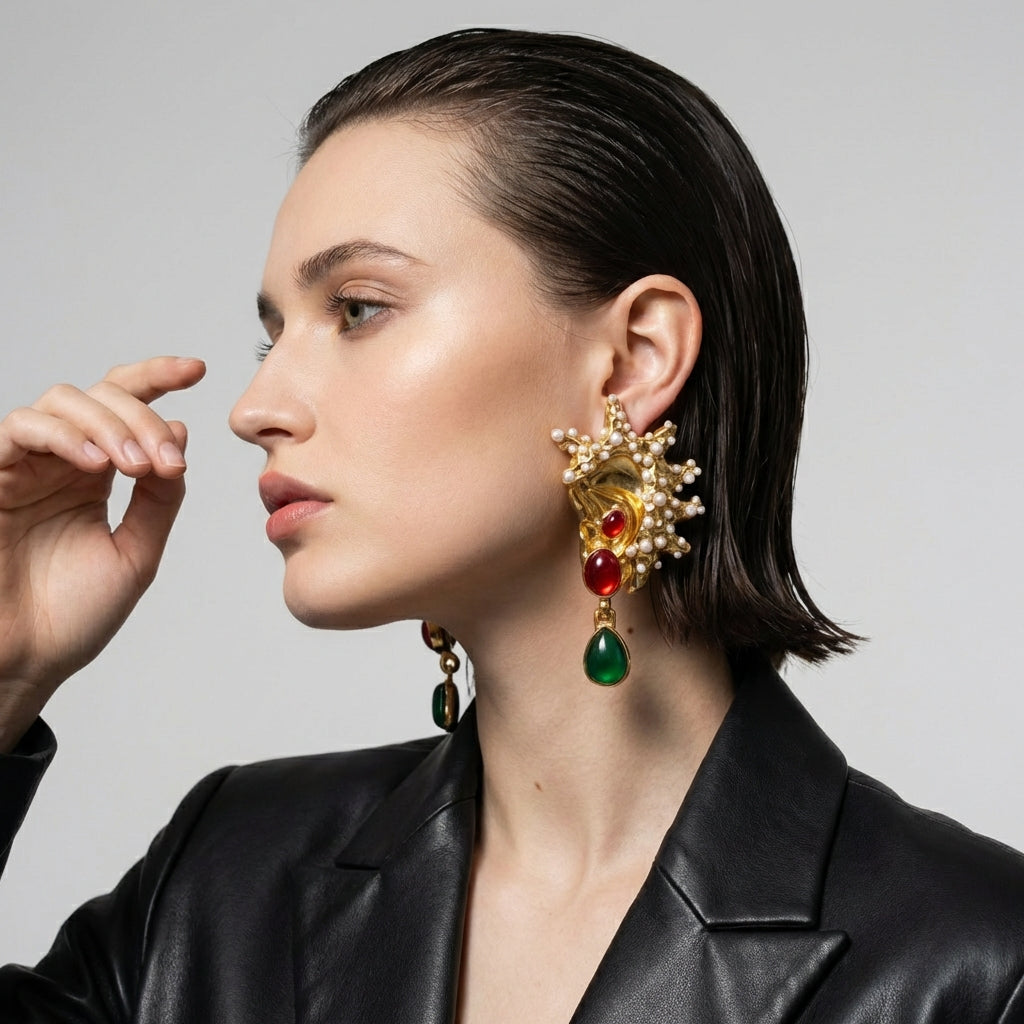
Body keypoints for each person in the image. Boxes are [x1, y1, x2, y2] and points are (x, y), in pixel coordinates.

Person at [1, 26, 1022, 1023]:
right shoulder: (221, 882)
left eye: (357, 308)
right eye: (271, 334)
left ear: (629, 360)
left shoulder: (973, 963)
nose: (256, 405)